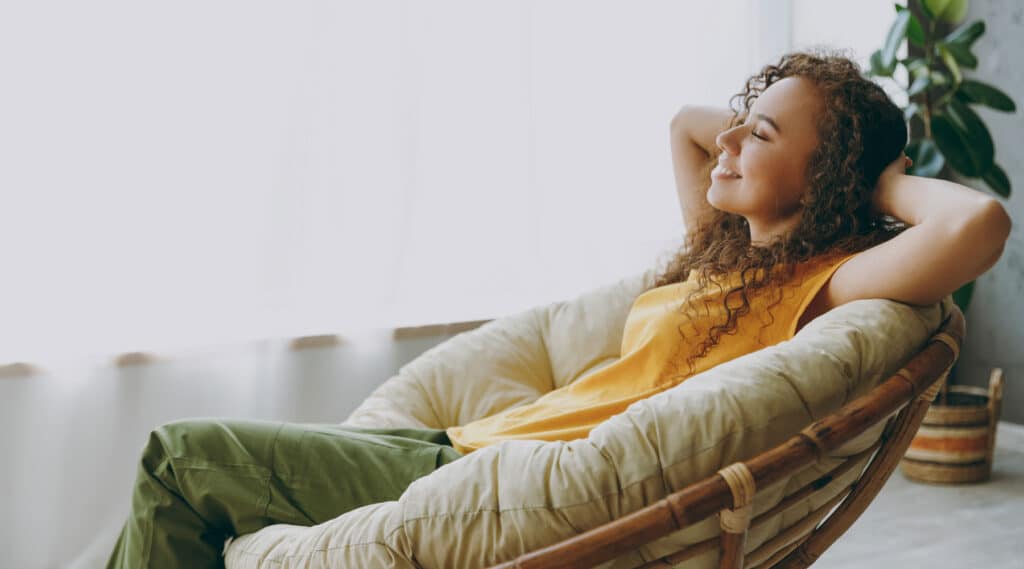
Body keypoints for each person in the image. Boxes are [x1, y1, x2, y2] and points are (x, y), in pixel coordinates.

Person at [105, 48, 1011, 568]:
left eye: (762, 132)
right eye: (745, 117)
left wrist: (878, 176)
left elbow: (978, 221)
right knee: (206, 498)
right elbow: (684, 124)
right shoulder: (727, 255)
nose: (728, 138)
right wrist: (769, 120)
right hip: (469, 445)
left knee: (178, 458)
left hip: (488, 474)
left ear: (827, 177)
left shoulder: (816, 287)